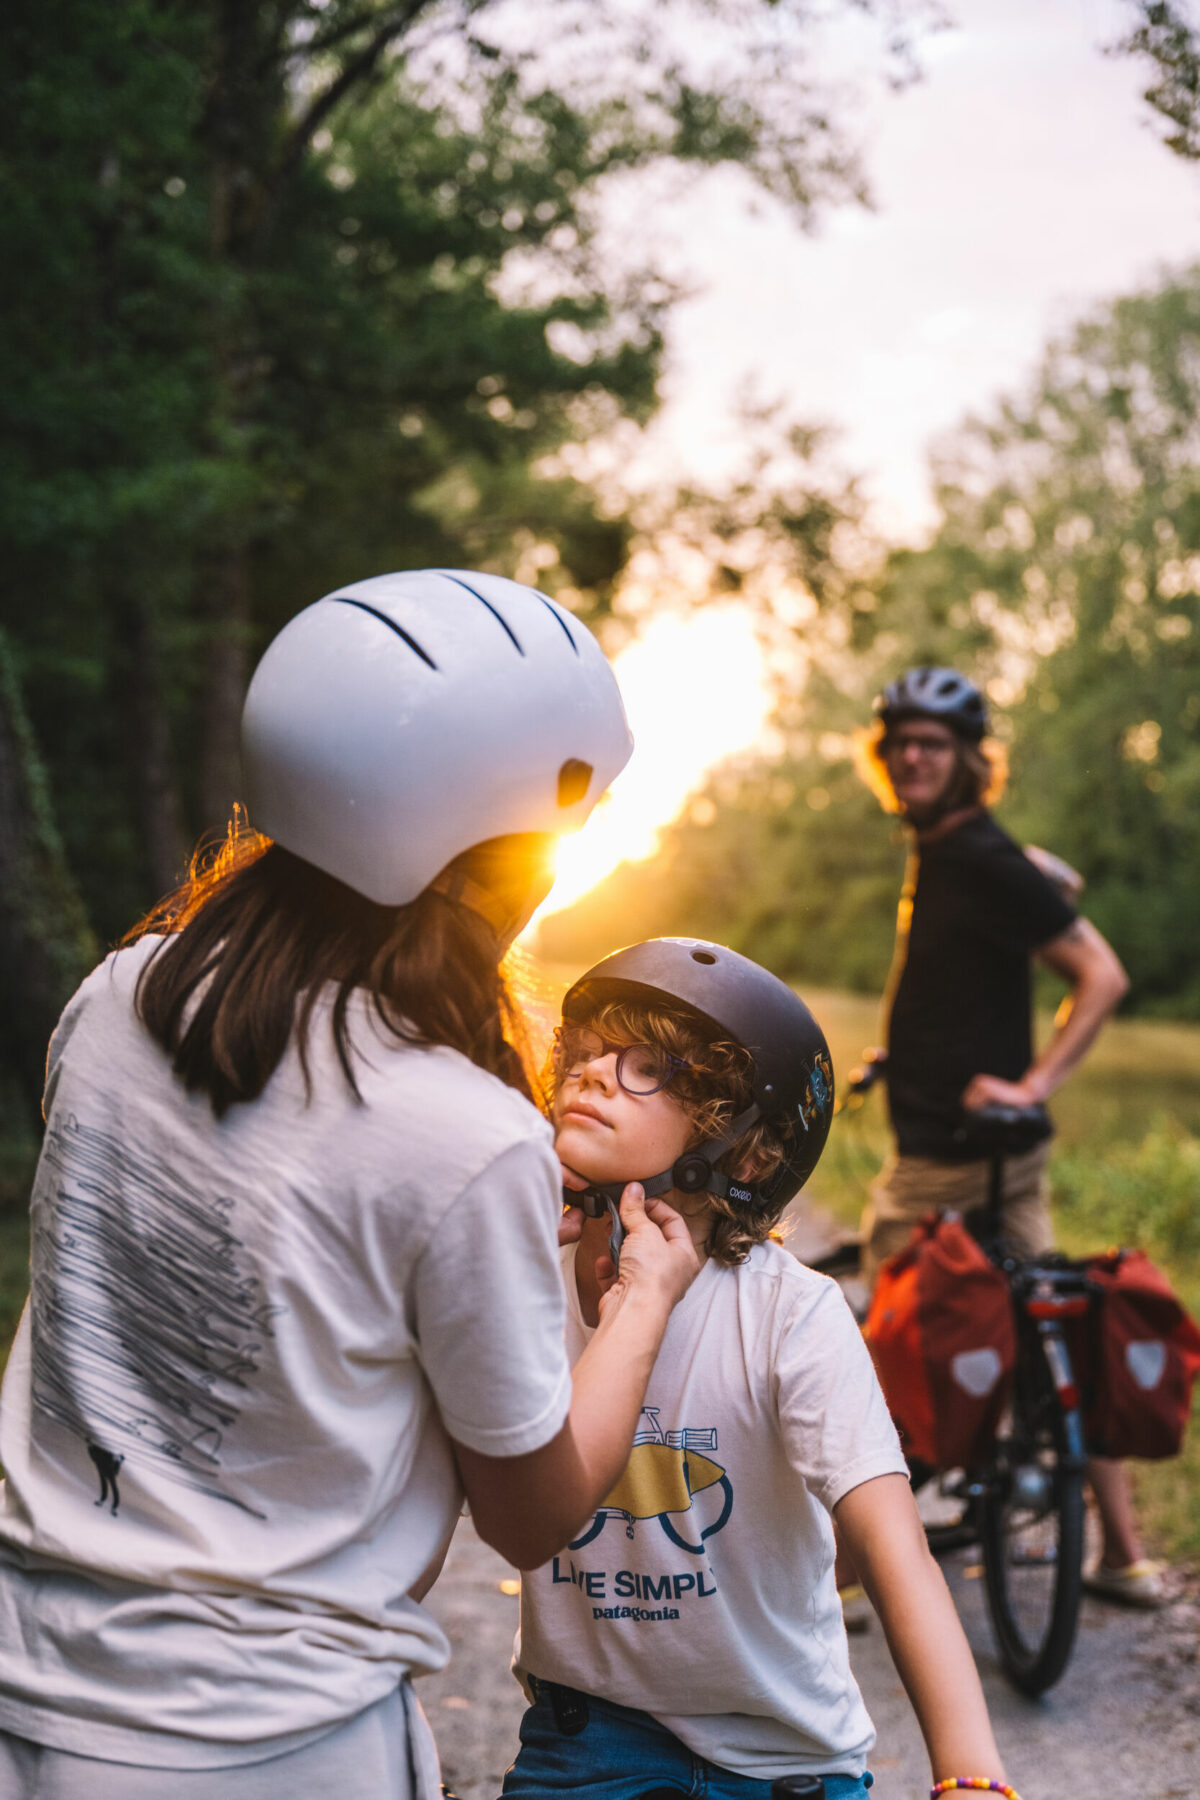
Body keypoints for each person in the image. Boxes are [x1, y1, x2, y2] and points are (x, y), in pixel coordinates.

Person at [0, 570, 700, 1800]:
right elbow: (531, 1516)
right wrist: (639, 1302)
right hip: (266, 1746)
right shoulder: (465, 1132)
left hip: (29, 1693)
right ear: (508, 859)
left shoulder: (118, 995)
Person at [504, 937, 1017, 1800]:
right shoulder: (516, 1278)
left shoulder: (789, 1315)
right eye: (583, 1053)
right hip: (589, 1733)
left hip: (788, 1757)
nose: (592, 1074)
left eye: (647, 1067)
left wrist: (973, 1776)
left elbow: (893, 1549)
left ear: (745, 1153)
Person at [853, 663, 1163, 1608]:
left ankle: (845, 1573)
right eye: (901, 741)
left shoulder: (979, 859)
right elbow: (962, 984)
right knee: (1055, 1323)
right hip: (993, 1153)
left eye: (933, 745)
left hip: (948, 1164)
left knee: (875, 1347)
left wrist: (1035, 1081)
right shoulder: (955, 849)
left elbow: (1099, 974)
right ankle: (1120, 1552)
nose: (913, 756)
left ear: (970, 761)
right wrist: (895, 1057)